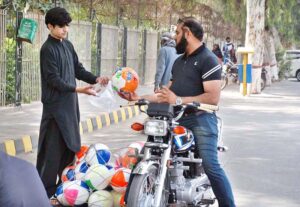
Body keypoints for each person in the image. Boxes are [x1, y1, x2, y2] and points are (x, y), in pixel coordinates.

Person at [121, 17, 235, 207]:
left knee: (211, 166)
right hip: (176, 118)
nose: (174, 37)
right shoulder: (179, 62)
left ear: (187, 34)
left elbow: (212, 97)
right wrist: (138, 98)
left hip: (201, 119)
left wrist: (180, 100)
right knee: (149, 151)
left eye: (177, 33)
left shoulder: (208, 59)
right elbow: (166, 95)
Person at [36, 7, 109, 204]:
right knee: (52, 152)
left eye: (66, 26)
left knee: (70, 149)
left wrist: (96, 78)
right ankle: (45, 194)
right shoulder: (47, 49)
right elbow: (53, 80)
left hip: (69, 106)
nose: (65, 30)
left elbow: (78, 69)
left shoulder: (67, 45)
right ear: (50, 26)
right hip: (54, 109)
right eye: (60, 26)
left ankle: (64, 189)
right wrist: (79, 90)